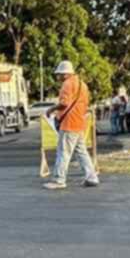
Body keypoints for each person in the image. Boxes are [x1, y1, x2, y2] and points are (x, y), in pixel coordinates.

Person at [44, 59, 98, 190]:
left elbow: (64, 103)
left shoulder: (67, 84)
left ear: (65, 74)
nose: (58, 77)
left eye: (59, 74)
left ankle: (59, 180)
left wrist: (51, 109)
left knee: (63, 151)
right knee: (81, 151)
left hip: (69, 123)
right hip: (79, 122)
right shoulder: (82, 85)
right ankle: (91, 177)